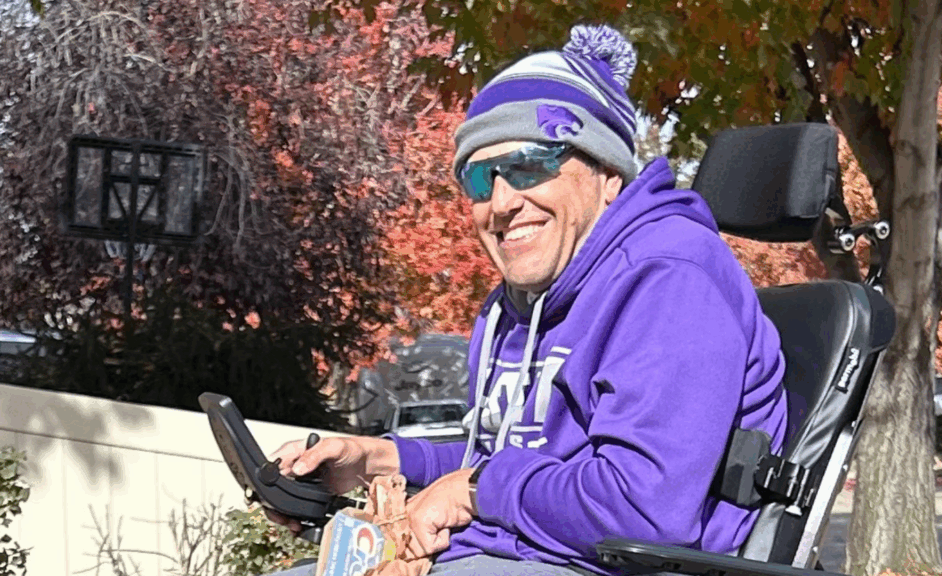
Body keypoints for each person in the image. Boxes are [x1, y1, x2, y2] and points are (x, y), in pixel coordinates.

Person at [267, 23, 789, 576]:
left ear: (606, 173)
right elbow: (513, 455)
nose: (501, 201)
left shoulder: (670, 278)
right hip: (513, 555)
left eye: (530, 163)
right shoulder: (518, 306)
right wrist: (379, 460)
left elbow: (643, 509)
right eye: (479, 178)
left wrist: (472, 491)